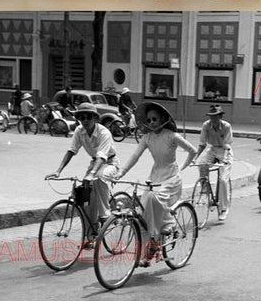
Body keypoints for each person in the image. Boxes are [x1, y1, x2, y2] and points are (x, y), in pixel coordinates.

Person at [114, 102, 197, 267]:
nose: (151, 122)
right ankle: (149, 251)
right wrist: (121, 173)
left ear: (163, 119)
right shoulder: (147, 137)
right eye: (149, 120)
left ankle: (165, 229)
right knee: (142, 212)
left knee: (153, 198)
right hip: (155, 176)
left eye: (155, 119)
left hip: (171, 178)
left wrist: (181, 168)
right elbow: (135, 156)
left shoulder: (172, 136)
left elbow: (193, 151)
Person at [46, 103, 120, 246]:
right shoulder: (79, 131)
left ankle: (106, 213)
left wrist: (92, 173)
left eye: (88, 117)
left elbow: (102, 156)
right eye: (82, 117)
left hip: (110, 163)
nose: (85, 121)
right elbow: (72, 150)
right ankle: (90, 236)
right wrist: (58, 170)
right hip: (94, 163)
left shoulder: (104, 133)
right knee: (85, 199)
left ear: (94, 118)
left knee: (99, 178)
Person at [194, 104, 234, 221]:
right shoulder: (206, 125)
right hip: (212, 149)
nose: (213, 119)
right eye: (211, 116)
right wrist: (195, 158)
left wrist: (225, 159)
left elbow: (227, 145)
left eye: (216, 116)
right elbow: (202, 144)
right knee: (202, 164)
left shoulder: (226, 126)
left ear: (220, 116)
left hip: (225, 150)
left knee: (223, 180)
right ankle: (206, 191)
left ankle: (223, 208)